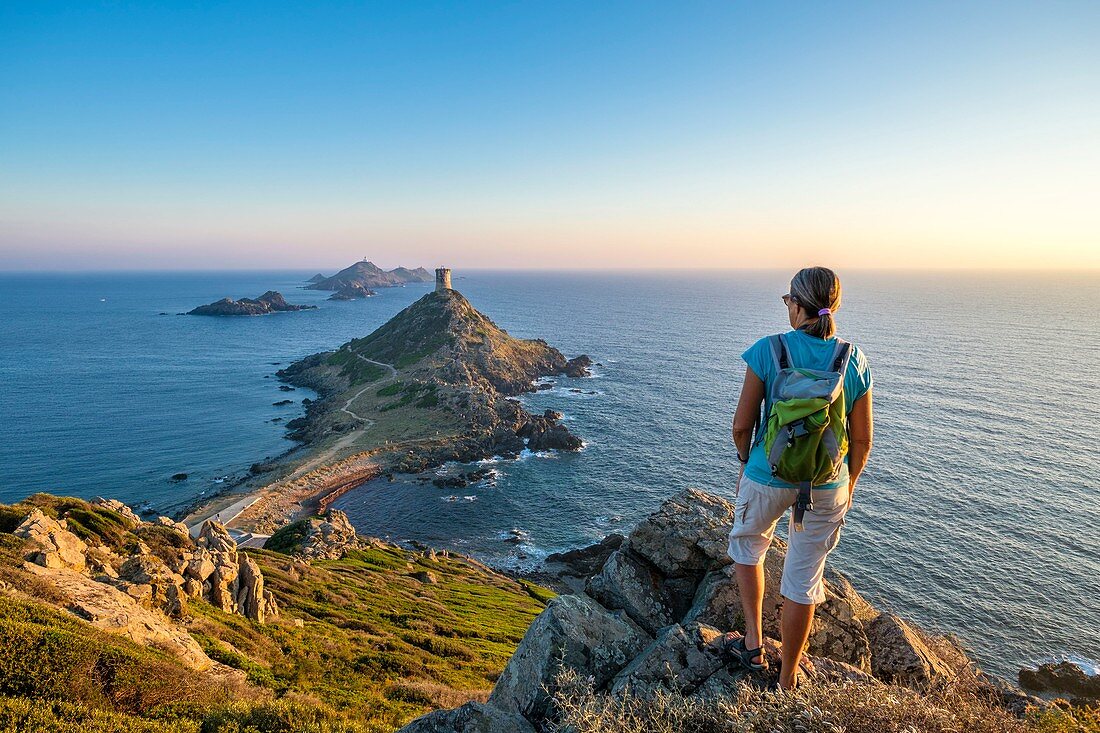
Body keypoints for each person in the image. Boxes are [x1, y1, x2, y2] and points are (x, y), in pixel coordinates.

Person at [726, 266, 874, 689]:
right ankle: (788, 677)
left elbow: (741, 426)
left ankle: (754, 644)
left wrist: (745, 466)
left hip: (767, 475)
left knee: (748, 546)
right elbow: (862, 440)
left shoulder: (768, 350)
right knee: (803, 579)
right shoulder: (853, 359)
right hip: (828, 483)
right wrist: (849, 483)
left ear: (797, 304)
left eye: (788, 299)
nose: (787, 306)